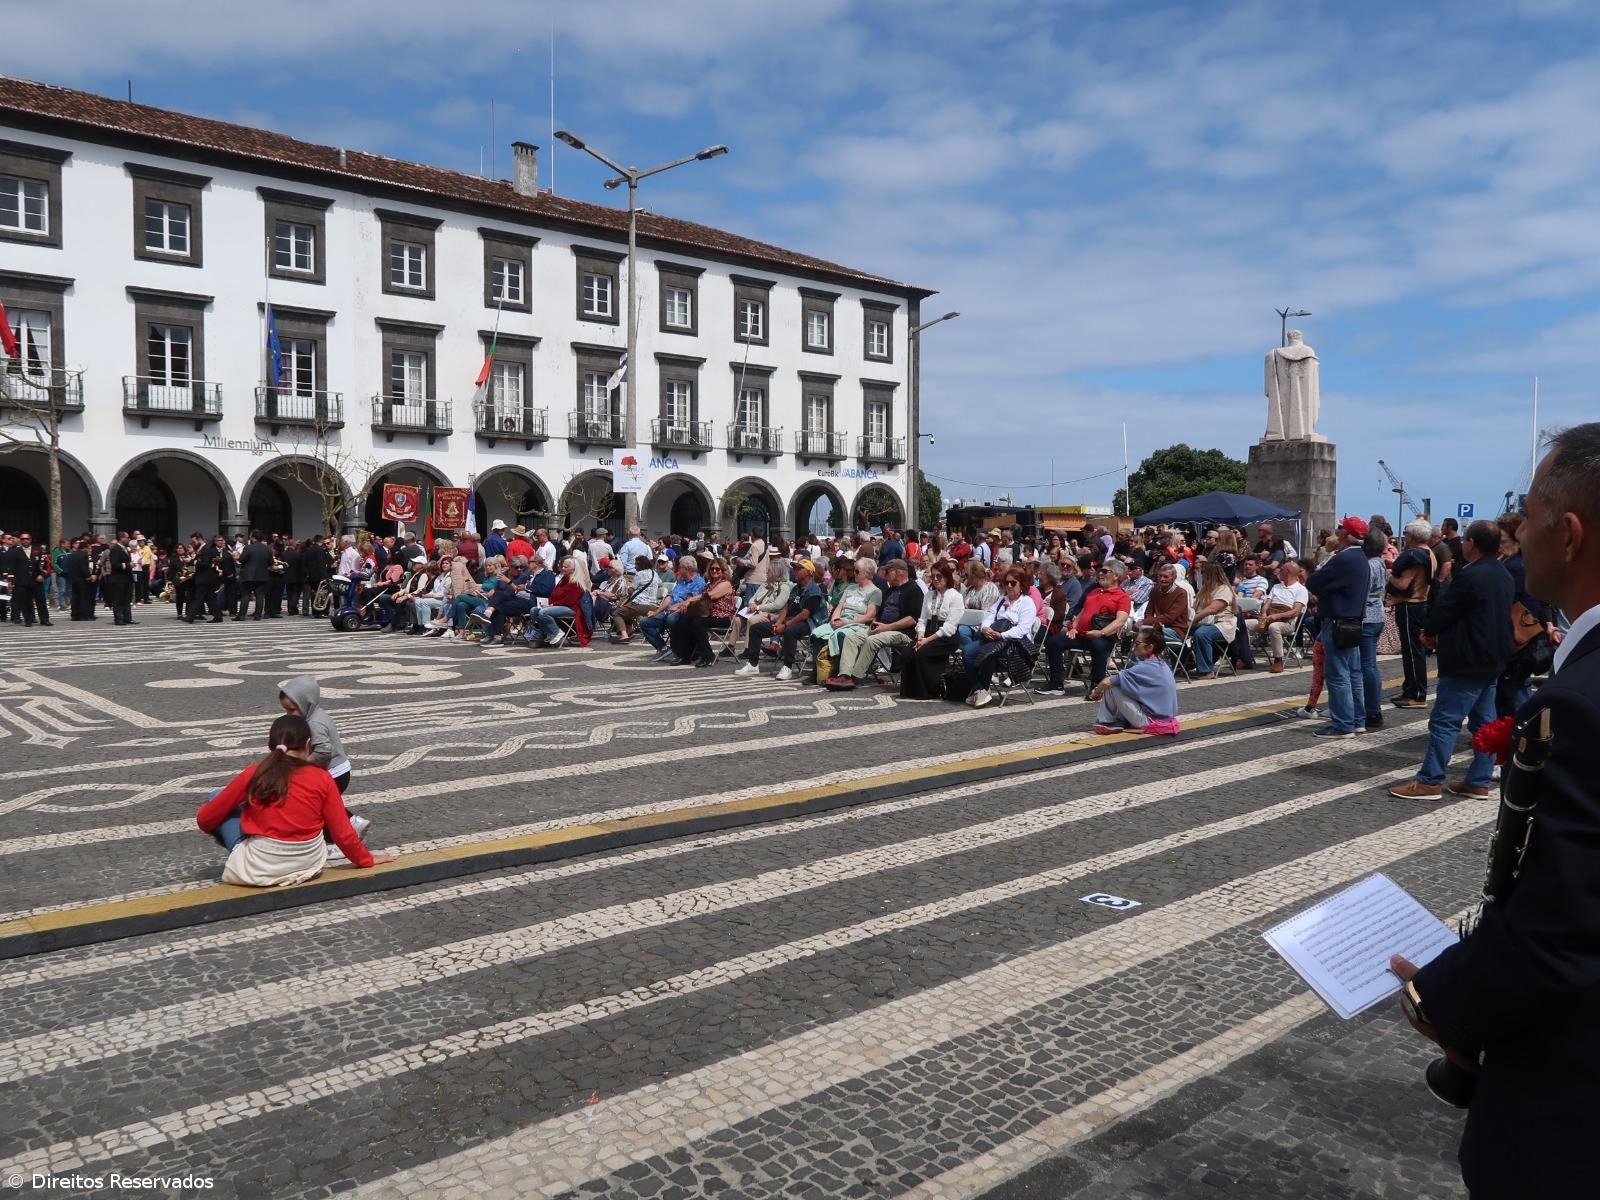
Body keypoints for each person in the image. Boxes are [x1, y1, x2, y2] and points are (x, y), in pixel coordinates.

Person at [1388, 422, 1600, 1198]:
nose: (1522, 530)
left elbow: (1563, 929)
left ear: (1569, 534)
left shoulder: (1581, 705)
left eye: (1531, 512)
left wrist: (1441, 999)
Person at [1388, 519, 1514, 798]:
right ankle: (1479, 779)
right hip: (1494, 656)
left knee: (1445, 720)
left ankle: (1430, 780)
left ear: (1473, 544)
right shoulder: (1504, 573)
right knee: (1485, 721)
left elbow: (1446, 610)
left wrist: (1429, 631)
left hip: (1466, 657)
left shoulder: (1471, 575)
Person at [196, 714, 394, 886]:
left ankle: (243, 849)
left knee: (218, 796)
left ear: (270, 745)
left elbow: (205, 819)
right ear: (308, 744)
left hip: (258, 865)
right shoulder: (322, 778)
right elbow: (343, 834)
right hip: (308, 862)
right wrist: (366, 859)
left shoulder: (255, 773)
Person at [1304, 516, 1370, 737]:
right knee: (1353, 673)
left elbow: (1313, 582)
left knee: (1338, 674)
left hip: (1337, 620)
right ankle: (1358, 719)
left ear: (1344, 534)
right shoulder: (1362, 557)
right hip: (1353, 621)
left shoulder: (1343, 558)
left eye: (1341, 528)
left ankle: (1343, 724)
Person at [827, 558, 923, 689]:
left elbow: (913, 619)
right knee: (851, 638)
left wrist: (887, 627)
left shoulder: (913, 590)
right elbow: (878, 614)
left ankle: (855, 676)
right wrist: (874, 625)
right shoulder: (890, 591)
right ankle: (844, 675)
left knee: (872, 640)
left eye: (887, 572)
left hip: (902, 632)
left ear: (898, 572)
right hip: (882, 628)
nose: (884, 576)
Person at [736, 559, 825, 681]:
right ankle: (753, 664)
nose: (795, 570)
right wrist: (778, 623)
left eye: (799, 568)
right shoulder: (796, 588)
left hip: (809, 623)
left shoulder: (814, 590)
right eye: (795, 568)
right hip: (791, 620)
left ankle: (787, 667)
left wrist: (785, 625)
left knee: (790, 631)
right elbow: (786, 608)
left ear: (809, 572)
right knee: (756, 628)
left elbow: (805, 614)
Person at [963, 565, 1038, 708]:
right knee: (967, 652)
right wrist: (985, 627)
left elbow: (1023, 629)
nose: (1009, 586)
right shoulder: (1002, 600)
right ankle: (980, 688)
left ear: (1022, 584)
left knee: (988, 654)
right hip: (994, 637)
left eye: (1013, 583)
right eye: (1006, 583)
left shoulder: (1027, 603)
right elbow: (990, 615)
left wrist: (1001, 635)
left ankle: (982, 689)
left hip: (1014, 643)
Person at [1089, 626, 1180, 735]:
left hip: (1149, 721)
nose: (1133, 647)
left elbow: (1106, 682)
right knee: (1124, 685)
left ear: (1150, 647)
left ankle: (1106, 722)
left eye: (1137, 644)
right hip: (1164, 719)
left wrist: (1096, 692)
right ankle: (1118, 721)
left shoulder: (1145, 667)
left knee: (1112, 687)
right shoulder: (1161, 664)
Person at [1386, 518, 1436, 707]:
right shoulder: (1430, 553)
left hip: (1410, 605)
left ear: (1414, 535)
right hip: (1420, 605)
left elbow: (1402, 584)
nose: (1404, 537)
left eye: (1406, 534)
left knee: (1412, 652)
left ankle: (1416, 694)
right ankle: (1411, 690)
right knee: (1414, 651)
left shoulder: (1415, 556)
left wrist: (1389, 573)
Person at [901, 561, 963, 700]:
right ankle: (910, 690)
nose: (935, 579)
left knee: (921, 653)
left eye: (939, 576)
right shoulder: (929, 595)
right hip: (928, 632)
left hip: (947, 637)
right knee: (907, 652)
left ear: (947, 577)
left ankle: (928, 690)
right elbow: (922, 619)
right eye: (933, 576)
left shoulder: (955, 596)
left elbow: (949, 627)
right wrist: (920, 636)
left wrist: (926, 641)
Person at [642, 556, 706, 661]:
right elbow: (670, 597)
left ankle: (678, 650)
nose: (678, 570)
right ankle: (663, 648)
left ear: (687, 569)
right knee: (645, 622)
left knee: (671, 619)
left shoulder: (699, 583)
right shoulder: (681, 581)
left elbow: (692, 602)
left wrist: (674, 610)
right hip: (670, 612)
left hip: (684, 613)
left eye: (680, 567)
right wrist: (656, 612)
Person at [1359, 528, 1390, 731]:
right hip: (1377, 614)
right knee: (1370, 666)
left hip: (1367, 617)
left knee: (1366, 666)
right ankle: (1372, 707)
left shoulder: (1368, 566)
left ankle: (1372, 710)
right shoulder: (1381, 563)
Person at [1188, 557, 1237, 679]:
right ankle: (1185, 663)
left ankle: (1207, 671)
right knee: (1177, 631)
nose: (1201, 574)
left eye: (1203, 572)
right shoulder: (1204, 589)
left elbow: (1212, 609)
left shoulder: (1224, 589)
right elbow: (1194, 607)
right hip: (1203, 622)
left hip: (1222, 624)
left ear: (1211, 574)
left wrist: (1194, 620)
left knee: (1202, 634)